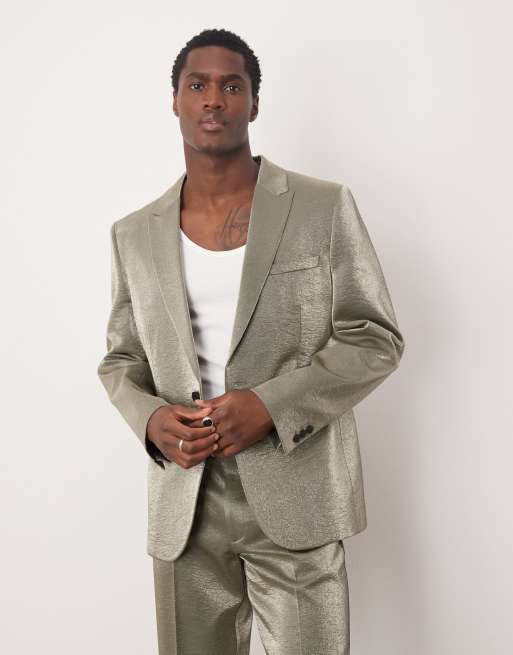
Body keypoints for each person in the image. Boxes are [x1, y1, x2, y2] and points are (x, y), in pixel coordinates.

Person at [97, 27, 405, 655]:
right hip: (187, 502)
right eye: (198, 85)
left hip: (298, 492)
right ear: (175, 100)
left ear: (254, 103)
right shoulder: (133, 233)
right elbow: (122, 358)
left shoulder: (322, 207)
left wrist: (270, 405)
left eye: (231, 86)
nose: (214, 98)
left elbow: (374, 337)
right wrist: (151, 419)